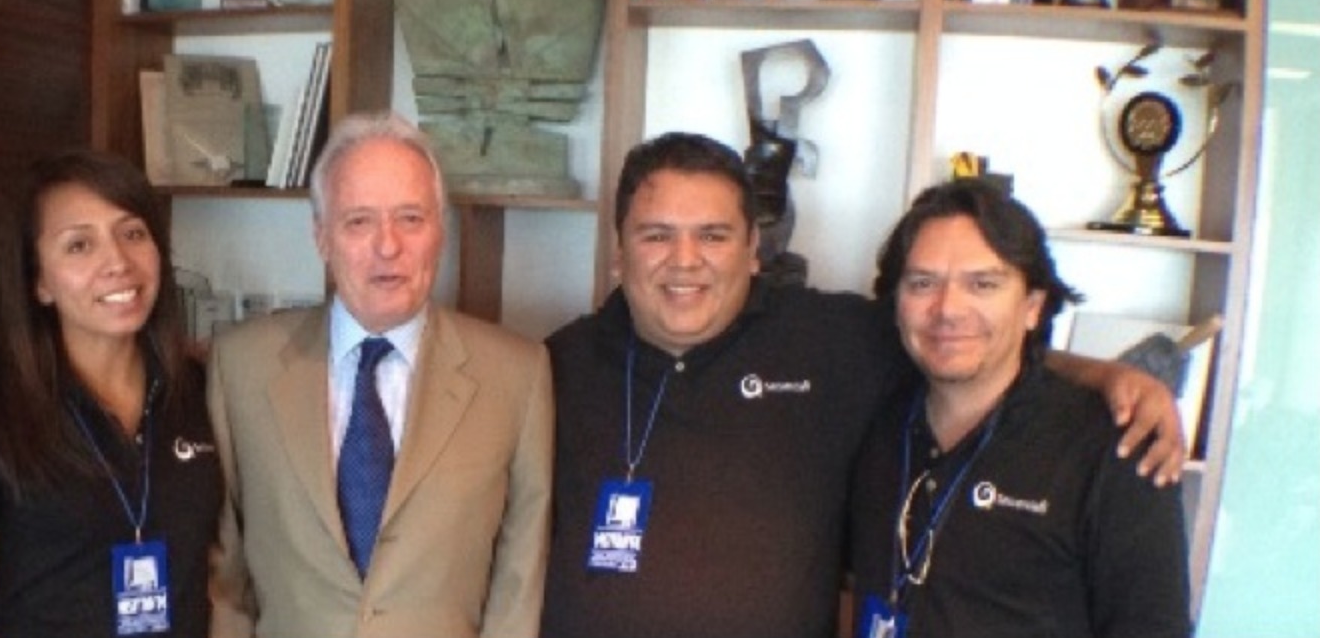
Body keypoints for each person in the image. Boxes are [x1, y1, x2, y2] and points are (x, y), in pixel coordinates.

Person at [539, 132, 1186, 638]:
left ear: (752, 251)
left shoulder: (832, 338)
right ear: (619, 250)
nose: (685, 262)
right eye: (657, 236)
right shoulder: (550, 368)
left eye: (713, 235)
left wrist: (1107, 375)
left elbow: (958, 345)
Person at [206, 110, 554, 638]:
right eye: (359, 221)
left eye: (411, 218)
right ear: (322, 237)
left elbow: (518, 586)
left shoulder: (518, 375)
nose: (387, 246)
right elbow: (227, 579)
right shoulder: (240, 366)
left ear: (440, 230)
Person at [849, 179, 1189, 638]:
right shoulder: (872, 418)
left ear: (1033, 305)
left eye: (983, 284)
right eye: (923, 283)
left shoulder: (1115, 447)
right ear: (896, 304)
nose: (948, 309)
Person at [0, 150, 223, 638]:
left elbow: (220, 572)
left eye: (133, 233)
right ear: (40, 283)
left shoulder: (200, 393)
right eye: (79, 245)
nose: (117, 261)